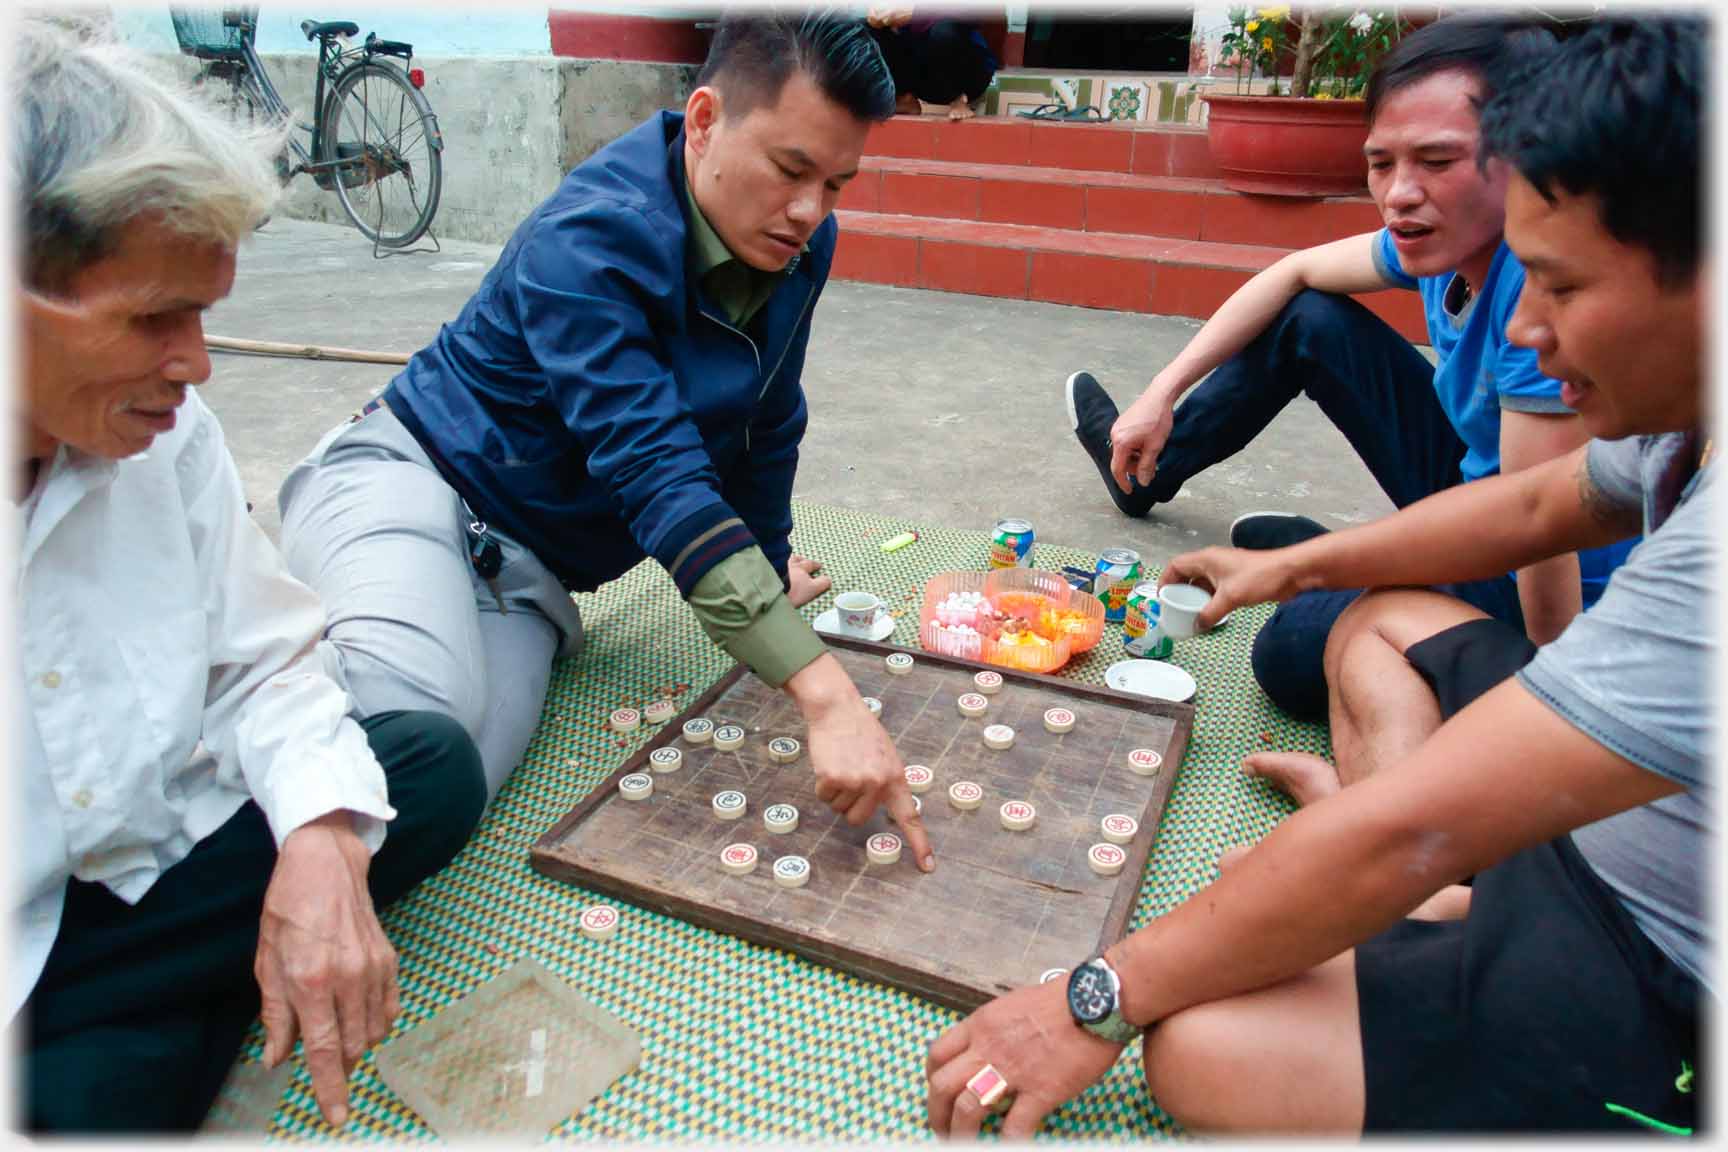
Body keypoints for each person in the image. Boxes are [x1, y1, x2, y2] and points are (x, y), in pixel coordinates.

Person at [927, 15, 1706, 1136]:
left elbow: (1420, 828)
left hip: (1652, 957)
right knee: (1369, 622)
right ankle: (1422, 859)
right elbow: (1537, 504)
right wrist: (1293, 564)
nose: (1526, 327)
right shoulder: (1690, 419)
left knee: (1196, 1050)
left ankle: (1434, 873)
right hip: (1588, 813)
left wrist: (1091, 998)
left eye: (1565, 289)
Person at [276, 12, 937, 871]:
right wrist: (823, 690)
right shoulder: (589, 241)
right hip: (410, 479)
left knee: (446, 785)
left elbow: (767, 419)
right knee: (409, 713)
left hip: (525, 575)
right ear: (703, 122)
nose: (809, 211)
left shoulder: (797, 247)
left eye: (838, 185)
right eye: (790, 169)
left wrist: (766, 579)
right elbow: (656, 471)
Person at [13, 20, 486, 1132]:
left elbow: (269, 660)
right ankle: (183, 1016)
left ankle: (205, 993)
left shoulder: (168, 436)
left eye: (206, 315)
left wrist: (320, 839)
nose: (197, 365)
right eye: (153, 318)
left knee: (426, 764)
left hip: (156, 872)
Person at [1064, 17, 1636, 721]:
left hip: (1543, 578)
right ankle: (1152, 465)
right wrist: (1161, 393)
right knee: (1311, 314)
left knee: (1289, 652)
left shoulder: (1544, 291)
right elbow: (1294, 269)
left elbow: (1536, 528)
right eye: (1382, 162)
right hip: (1477, 485)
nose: (1398, 192)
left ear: (1528, 152)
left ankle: (1329, 558)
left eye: (1436, 160)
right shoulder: (1439, 236)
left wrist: (1557, 715)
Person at [866, 6, 999, 121]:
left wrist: (916, 12)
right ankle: (903, 98)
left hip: (967, 75)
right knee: (864, 29)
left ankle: (958, 99)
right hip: (922, 76)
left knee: (943, 32)